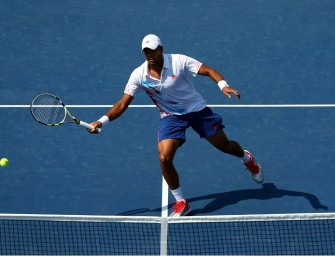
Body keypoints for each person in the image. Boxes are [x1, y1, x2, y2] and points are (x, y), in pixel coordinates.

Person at [88, 34, 264, 217]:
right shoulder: (138, 75)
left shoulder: (179, 61)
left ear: (161, 49)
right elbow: (123, 103)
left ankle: (246, 158)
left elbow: (209, 70)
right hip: (171, 117)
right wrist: (102, 121)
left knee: (225, 146)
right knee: (164, 157)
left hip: (197, 111)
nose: (150, 54)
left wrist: (223, 86)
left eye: (153, 50)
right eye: (146, 51)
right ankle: (181, 202)